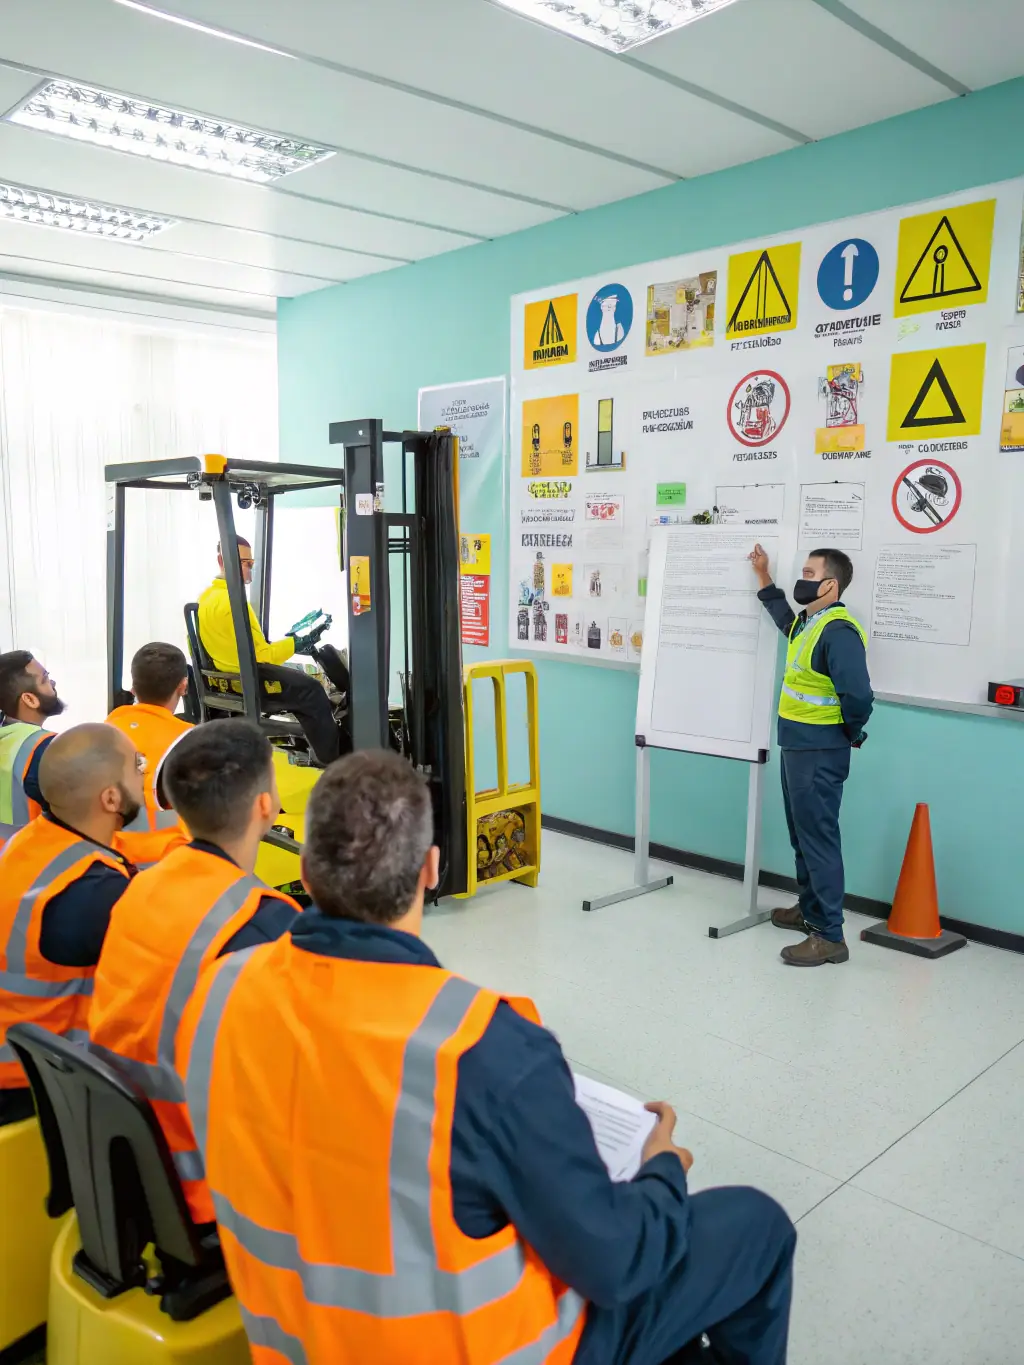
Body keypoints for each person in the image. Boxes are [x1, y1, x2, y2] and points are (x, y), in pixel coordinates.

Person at [177, 751, 796, 1365]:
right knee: (756, 1225)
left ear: (306, 875)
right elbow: (616, 1264)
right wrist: (662, 1171)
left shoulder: (221, 987)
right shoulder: (482, 1049)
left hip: (290, 1341)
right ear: (431, 869)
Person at [90, 720, 300, 1223]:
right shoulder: (264, 923)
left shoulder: (140, 884)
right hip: (201, 1182)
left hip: (122, 1148)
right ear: (265, 806)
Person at [0, 724, 142, 1126]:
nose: (145, 775)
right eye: (138, 766)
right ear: (111, 798)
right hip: (27, 1085)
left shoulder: (31, 843)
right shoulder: (93, 893)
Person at [750, 544, 873, 966]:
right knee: (802, 834)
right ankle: (811, 909)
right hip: (798, 744)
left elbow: (858, 694)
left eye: (808, 572)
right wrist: (764, 577)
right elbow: (784, 620)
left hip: (821, 749)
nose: (801, 579)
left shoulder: (838, 631)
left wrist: (850, 733)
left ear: (830, 584)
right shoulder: (809, 622)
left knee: (818, 838)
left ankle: (830, 936)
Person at [197, 535, 349, 766]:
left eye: (252, 564)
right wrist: (295, 643)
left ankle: (327, 737)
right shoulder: (233, 603)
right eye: (246, 563)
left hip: (229, 675)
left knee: (304, 685)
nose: (250, 569)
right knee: (312, 691)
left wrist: (292, 639)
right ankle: (336, 761)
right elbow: (264, 656)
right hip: (249, 680)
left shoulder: (208, 597)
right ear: (222, 560)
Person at [106, 642, 193, 866]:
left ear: (133, 688)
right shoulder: (189, 741)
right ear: (183, 686)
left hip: (108, 854)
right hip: (163, 861)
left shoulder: (110, 724)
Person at [0, 651, 65, 838]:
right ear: (29, 699)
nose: (53, 684)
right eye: (45, 680)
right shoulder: (44, 748)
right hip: (32, 862)